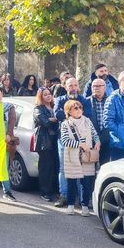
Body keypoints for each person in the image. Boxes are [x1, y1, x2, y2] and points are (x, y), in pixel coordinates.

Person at [52, 77, 93, 207]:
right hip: (65, 140)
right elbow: (57, 114)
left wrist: (69, 113)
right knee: (64, 169)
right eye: (70, 85)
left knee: (82, 169)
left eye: (75, 85)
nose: (73, 87)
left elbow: (88, 115)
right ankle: (64, 196)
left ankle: (82, 199)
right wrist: (76, 114)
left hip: (83, 141)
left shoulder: (84, 100)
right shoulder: (59, 100)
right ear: (65, 87)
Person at [59, 100, 100, 216]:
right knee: (71, 182)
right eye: (75, 108)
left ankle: (85, 206)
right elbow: (65, 141)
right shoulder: (65, 124)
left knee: (86, 183)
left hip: (87, 156)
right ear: (69, 111)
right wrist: (79, 145)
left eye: (80, 107)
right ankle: (71, 205)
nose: (78, 110)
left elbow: (94, 134)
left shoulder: (87, 121)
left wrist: (97, 142)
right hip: (72, 156)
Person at [33, 87, 59, 201]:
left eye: (49, 94)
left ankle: (54, 190)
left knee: (55, 167)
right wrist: (53, 119)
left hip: (55, 140)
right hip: (44, 141)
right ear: (41, 97)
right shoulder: (38, 108)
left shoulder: (54, 106)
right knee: (45, 168)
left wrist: (52, 119)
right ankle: (45, 192)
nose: (48, 96)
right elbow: (45, 122)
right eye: (45, 94)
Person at [86, 77, 111, 164]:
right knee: (90, 168)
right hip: (91, 140)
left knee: (105, 165)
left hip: (107, 139)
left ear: (104, 87)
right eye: (94, 86)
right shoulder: (86, 102)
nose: (96, 88)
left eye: (98, 86)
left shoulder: (111, 101)